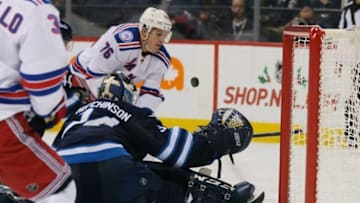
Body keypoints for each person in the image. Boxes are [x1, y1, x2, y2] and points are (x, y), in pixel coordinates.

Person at [51, 71, 262, 203]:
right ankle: (225, 199)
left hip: (68, 180)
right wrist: (213, 142)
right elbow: (175, 150)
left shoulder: (74, 119)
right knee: (175, 179)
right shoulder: (123, 110)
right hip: (113, 170)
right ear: (126, 97)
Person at [0, 0, 76, 203]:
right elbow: (42, 81)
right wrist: (51, 109)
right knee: (61, 189)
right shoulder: (37, 10)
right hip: (5, 120)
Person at [68, 7, 173, 113]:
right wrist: (119, 108)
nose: (162, 40)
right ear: (145, 30)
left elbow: (151, 94)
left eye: (165, 35)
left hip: (111, 90)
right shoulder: (121, 42)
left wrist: (142, 117)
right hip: (80, 78)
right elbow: (93, 76)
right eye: (159, 34)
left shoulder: (161, 59)